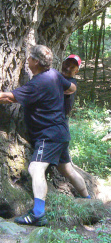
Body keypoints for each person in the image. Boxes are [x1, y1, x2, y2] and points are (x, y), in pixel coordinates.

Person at [0, 45, 84, 226]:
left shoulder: (38, 83)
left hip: (49, 134)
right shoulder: (55, 76)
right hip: (61, 132)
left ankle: (37, 213)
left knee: (36, 168)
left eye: (29, 58)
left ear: (35, 61)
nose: (27, 60)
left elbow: (8, 97)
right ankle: (89, 199)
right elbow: (72, 87)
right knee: (66, 169)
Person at [58, 54, 90, 199]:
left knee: (66, 169)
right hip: (54, 128)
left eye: (72, 67)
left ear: (76, 71)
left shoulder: (71, 83)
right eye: (66, 64)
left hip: (58, 128)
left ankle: (88, 199)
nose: (68, 67)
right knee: (65, 168)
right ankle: (87, 198)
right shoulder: (60, 78)